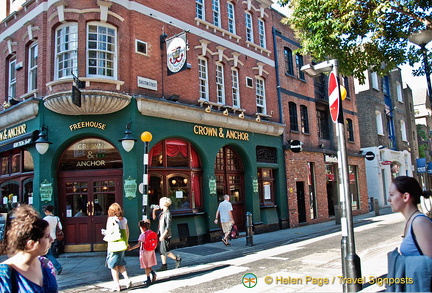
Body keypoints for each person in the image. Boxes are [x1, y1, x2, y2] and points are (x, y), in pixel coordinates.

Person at [0, 204, 58, 292]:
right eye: (47, 236)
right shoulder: (5, 274)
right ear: (31, 244)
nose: (51, 239)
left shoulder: (45, 264)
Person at [388, 176, 432, 257]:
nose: (389, 199)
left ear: (405, 197)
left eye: (391, 195)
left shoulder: (419, 223)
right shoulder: (412, 221)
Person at [105, 203, 132, 292]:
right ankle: (127, 279)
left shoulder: (110, 220)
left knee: (113, 266)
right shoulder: (124, 220)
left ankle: (117, 285)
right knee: (120, 263)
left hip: (113, 246)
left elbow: (109, 232)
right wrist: (127, 243)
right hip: (122, 245)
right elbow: (127, 232)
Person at [152, 197, 182, 271]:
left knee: (164, 251)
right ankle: (164, 265)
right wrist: (154, 211)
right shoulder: (162, 213)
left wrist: (163, 235)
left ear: (164, 204)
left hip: (165, 235)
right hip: (160, 233)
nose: (159, 205)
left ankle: (177, 259)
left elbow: (168, 226)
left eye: (160, 203)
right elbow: (154, 219)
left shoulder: (168, 214)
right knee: (161, 251)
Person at [128, 220, 157, 287]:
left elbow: (138, 244)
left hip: (144, 251)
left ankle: (148, 278)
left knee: (146, 266)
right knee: (148, 264)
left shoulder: (142, 235)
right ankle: (153, 273)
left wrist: (131, 248)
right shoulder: (151, 232)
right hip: (151, 250)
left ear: (143, 228)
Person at [42, 205, 63, 275]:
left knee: (48, 254)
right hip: (54, 238)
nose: (44, 212)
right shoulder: (56, 218)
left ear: (47, 211)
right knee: (49, 253)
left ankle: (58, 266)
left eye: (45, 211)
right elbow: (60, 227)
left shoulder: (45, 219)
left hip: (47, 238)